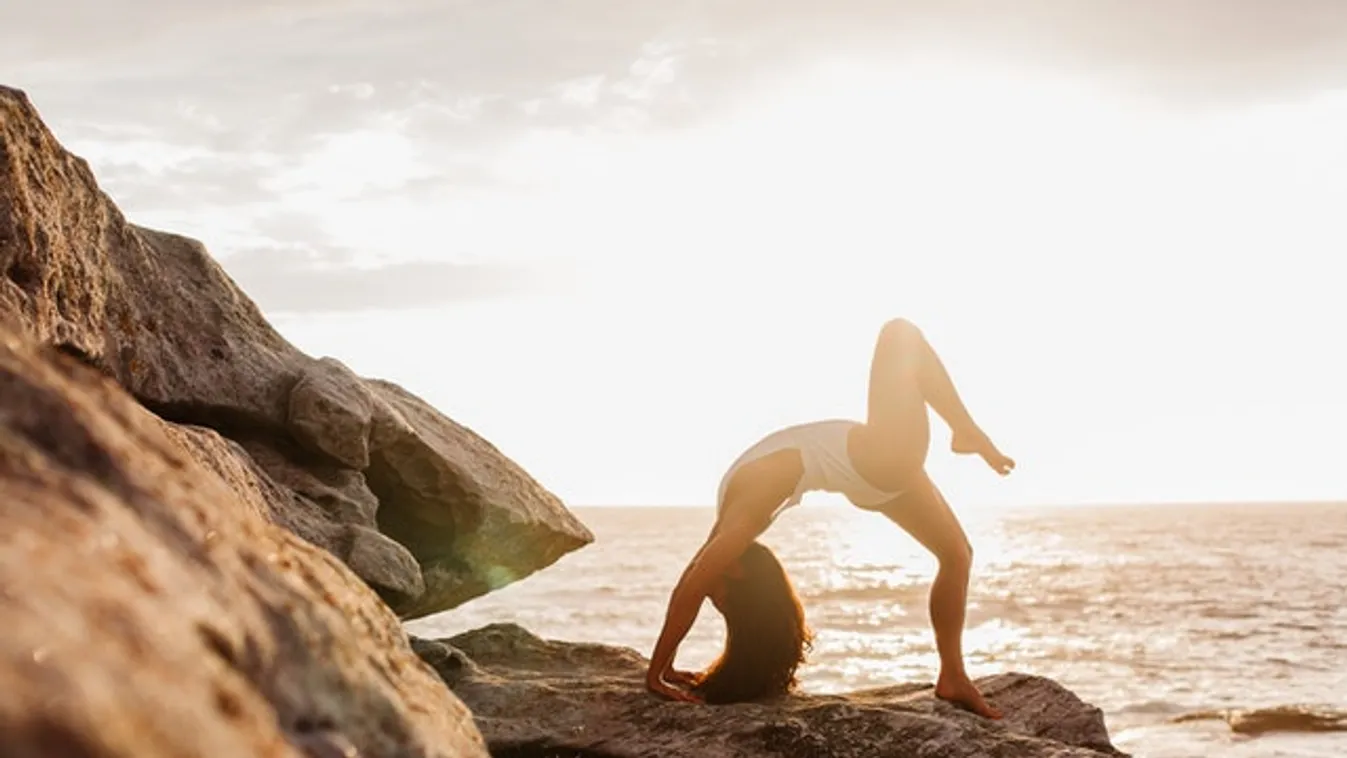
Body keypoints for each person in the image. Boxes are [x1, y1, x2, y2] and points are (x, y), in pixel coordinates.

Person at [645, 317, 1015, 718]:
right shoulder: (744, 519)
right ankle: (966, 430)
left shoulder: (732, 525)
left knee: (957, 554)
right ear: (735, 572)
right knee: (899, 334)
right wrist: (655, 674)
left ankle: (953, 676)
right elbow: (694, 585)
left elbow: (691, 582)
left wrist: (661, 667)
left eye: (714, 601)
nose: (707, 590)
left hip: (870, 474)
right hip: (878, 461)